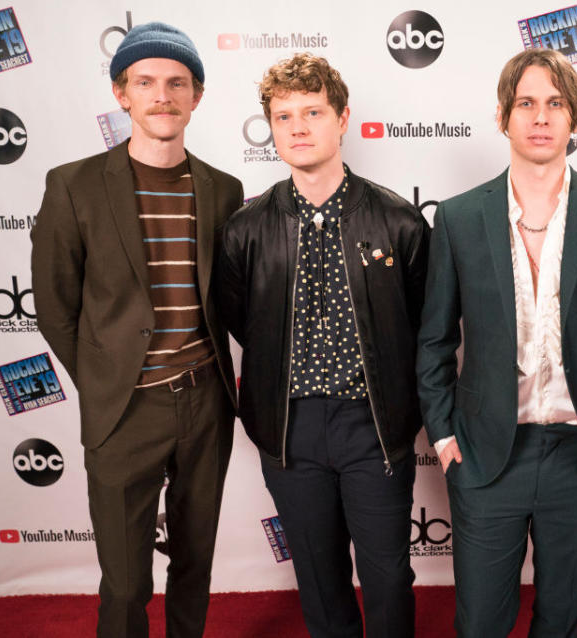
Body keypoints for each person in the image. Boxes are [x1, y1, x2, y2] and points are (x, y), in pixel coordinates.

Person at [416, 48, 577, 637]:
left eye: (555, 103)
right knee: (480, 623)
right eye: (526, 103)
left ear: (574, 118)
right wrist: (446, 434)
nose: (540, 116)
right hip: (484, 454)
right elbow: (432, 340)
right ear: (503, 116)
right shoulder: (456, 218)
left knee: (560, 622)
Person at [30, 22, 243, 638]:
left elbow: (231, 303)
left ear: (196, 97)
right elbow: (54, 307)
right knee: (124, 582)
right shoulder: (72, 185)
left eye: (177, 83)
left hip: (206, 403)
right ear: (122, 93)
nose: (162, 95)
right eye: (145, 82)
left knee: (195, 563)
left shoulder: (224, 191)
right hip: (124, 410)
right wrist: (106, 382)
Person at [213, 53, 429, 638]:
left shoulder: (399, 222)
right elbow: (241, 322)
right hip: (290, 427)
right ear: (272, 129)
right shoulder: (245, 228)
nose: (299, 127)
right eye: (284, 117)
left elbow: (425, 323)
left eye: (313, 112)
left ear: (343, 119)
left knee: (386, 575)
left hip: (374, 424)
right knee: (318, 575)